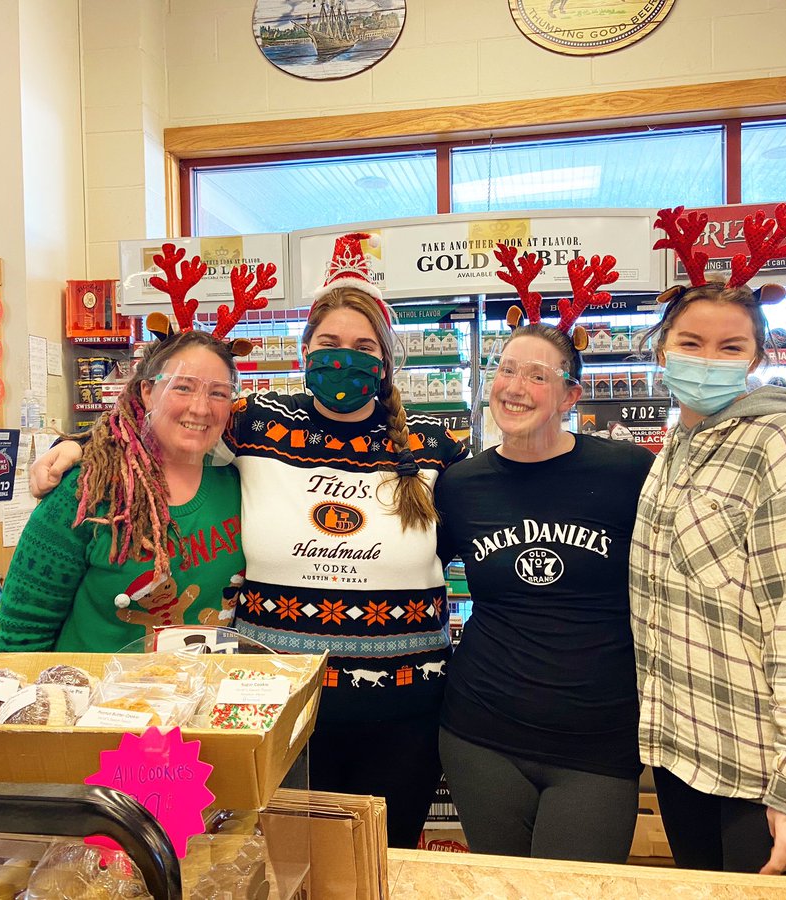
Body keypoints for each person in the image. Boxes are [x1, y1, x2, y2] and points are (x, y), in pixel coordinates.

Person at [28, 233, 467, 848]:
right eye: (330, 344)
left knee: (380, 865)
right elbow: (165, 415)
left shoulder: (434, 445)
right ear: (305, 350)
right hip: (273, 703)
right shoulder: (258, 422)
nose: (346, 359)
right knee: (278, 865)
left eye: (364, 347)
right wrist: (75, 447)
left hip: (406, 709)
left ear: (387, 361)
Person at [630, 203, 786, 876]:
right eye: (691, 344)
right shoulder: (680, 448)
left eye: (730, 347)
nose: (708, 360)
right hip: (690, 758)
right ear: (661, 350)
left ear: (758, 357)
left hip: (764, 780)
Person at [433, 245, 654, 862]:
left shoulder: (628, 471)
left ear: (570, 395)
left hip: (599, 739)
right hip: (480, 729)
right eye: (506, 370)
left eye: (538, 375)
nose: (517, 387)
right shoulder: (462, 483)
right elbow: (411, 569)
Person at [0, 327, 246, 653]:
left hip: (203, 697)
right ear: (147, 392)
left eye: (218, 393)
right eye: (182, 387)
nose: (200, 408)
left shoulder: (238, 482)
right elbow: (19, 641)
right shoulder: (84, 493)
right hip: (96, 699)